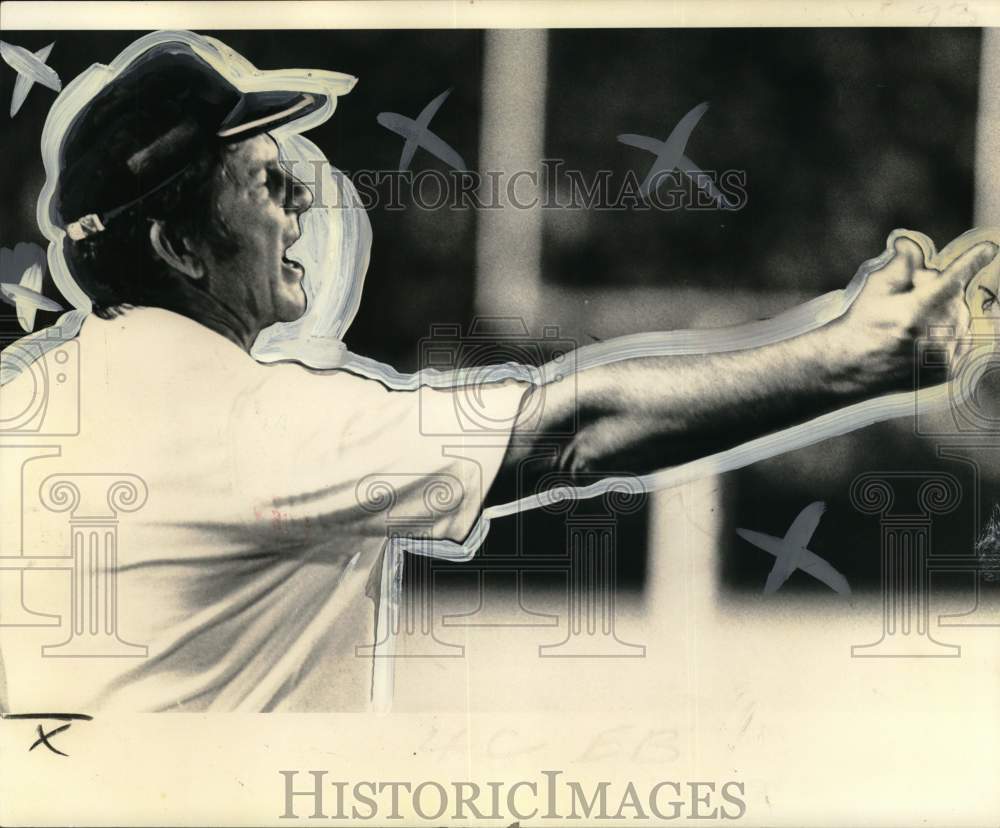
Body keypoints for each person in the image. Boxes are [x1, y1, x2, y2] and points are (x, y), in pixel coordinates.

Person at [0, 35, 994, 713]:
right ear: (180, 246)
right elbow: (571, 434)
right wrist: (851, 362)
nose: (303, 203)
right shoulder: (257, 425)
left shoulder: (31, 398)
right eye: (268, 183)